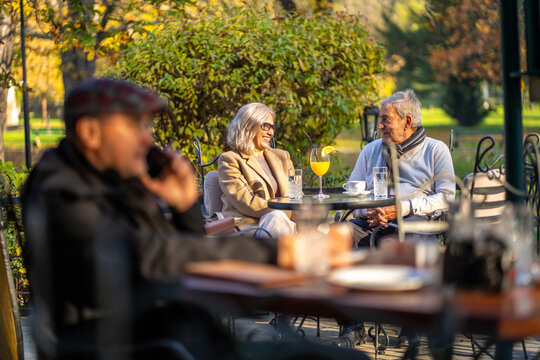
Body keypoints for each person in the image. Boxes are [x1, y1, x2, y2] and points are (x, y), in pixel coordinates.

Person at [21, 78, 277, 360]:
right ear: (90, 132)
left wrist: (183, 207)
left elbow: (181, 257)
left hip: (177, 337)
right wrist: (278, 252)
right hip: (133, 347)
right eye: (136, 126)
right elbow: (154, 255)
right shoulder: (60, 193)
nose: (148, 139)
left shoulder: (110, 180)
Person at [334, 89, 455, 348]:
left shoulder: (435, 150)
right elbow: (352, 190)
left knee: (410, 240)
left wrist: (403, 208)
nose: (379, 125)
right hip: (372, 220)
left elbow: (447, 197)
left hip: (415, 221)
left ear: (407, 121)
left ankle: (412, 322)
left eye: (385, 119)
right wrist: (365, 210)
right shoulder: (371, 150)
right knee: (339, 238)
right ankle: (352, 326)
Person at [218, 103, 296, 239]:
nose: (271, 132)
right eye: (266, 126)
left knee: (325, 231)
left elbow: (296, 195)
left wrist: (305, 211)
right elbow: (247, 203)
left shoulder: (283, 157)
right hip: (251, 228)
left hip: (289, 225)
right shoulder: (230, 160)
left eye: (272, 127)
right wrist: (288, 212)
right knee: (276, 218)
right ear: (248, 125)